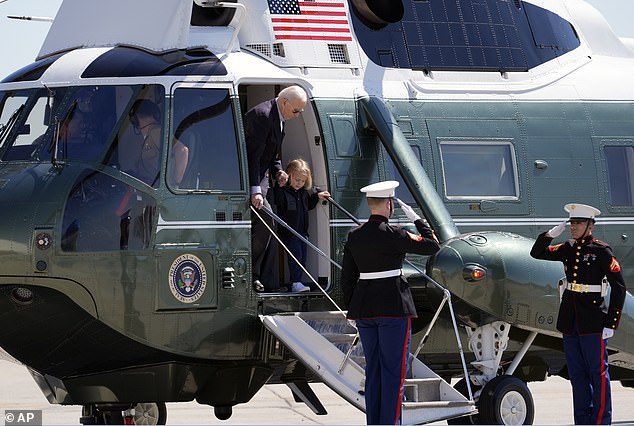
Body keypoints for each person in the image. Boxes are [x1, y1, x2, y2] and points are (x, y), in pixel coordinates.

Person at [341, 181, 440, 425]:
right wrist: (418, 220)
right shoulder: (396, 234)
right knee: (393, 375)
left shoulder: (355, 236)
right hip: (393, 309)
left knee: (373, 372)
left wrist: (352, 308)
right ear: (389, 204)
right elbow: (432, 245)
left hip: (365, 310)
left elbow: (347, 279)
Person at [530, 203, 626, 425]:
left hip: (593, 320)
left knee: (598, 375)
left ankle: (601, 421)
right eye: (571, 223)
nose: (573, 227)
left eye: (578, 223)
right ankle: (582, 420)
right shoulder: (568, 248)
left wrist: (611, 322)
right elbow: (537, 253)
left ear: (590, 225)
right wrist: (550, 234)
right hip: (570, 321)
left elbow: (619, 287)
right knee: (577, 375)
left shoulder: (601, 251)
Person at [244, 85, 308, 293]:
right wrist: (255, 190)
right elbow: (253, 156)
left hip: (263, 179)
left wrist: (279, 171)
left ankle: (266, 280)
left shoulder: (280, 117)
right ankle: (251, 274)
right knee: (267, 221)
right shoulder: (263, 115)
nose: (298, 115)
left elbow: (272, 154)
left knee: (271, 227)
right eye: (296, 110)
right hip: (249, 179)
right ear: (284, 103)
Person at [272, 159, 331, 293]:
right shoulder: (283, 191)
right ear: (289, 175)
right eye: (297, 179)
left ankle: (297, 281)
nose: (300, 183)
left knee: (303, 258)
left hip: (302, 232)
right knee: (296, 257)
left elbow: (308, 205)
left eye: (303, 181)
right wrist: (279, 186)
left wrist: (317, 196)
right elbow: (278, 201)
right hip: (289, 232)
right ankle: (295, 283)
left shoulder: (303, 193)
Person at [125, 99, 188, 187]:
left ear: (135, 118)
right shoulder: (148, 136)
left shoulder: (156, 132)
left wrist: (174, 184)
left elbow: (182, 150)